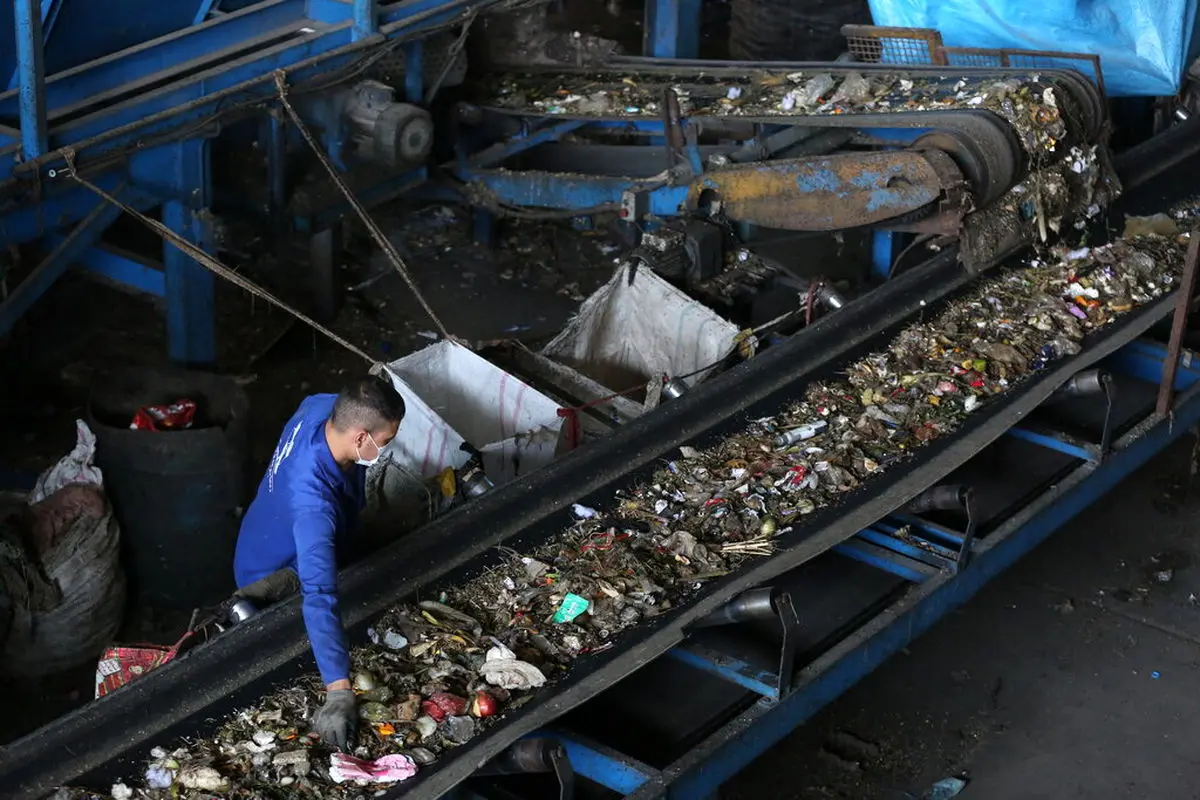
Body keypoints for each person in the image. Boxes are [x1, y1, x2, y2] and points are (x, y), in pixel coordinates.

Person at [233, 375, 405, 750]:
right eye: (385, 441)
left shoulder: (322, 409)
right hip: (276, 568)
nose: (386, 448)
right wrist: (339, 690)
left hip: (271, 528)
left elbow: (324, 396)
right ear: (360, 438)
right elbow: (320, 594)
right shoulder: (313, 508)